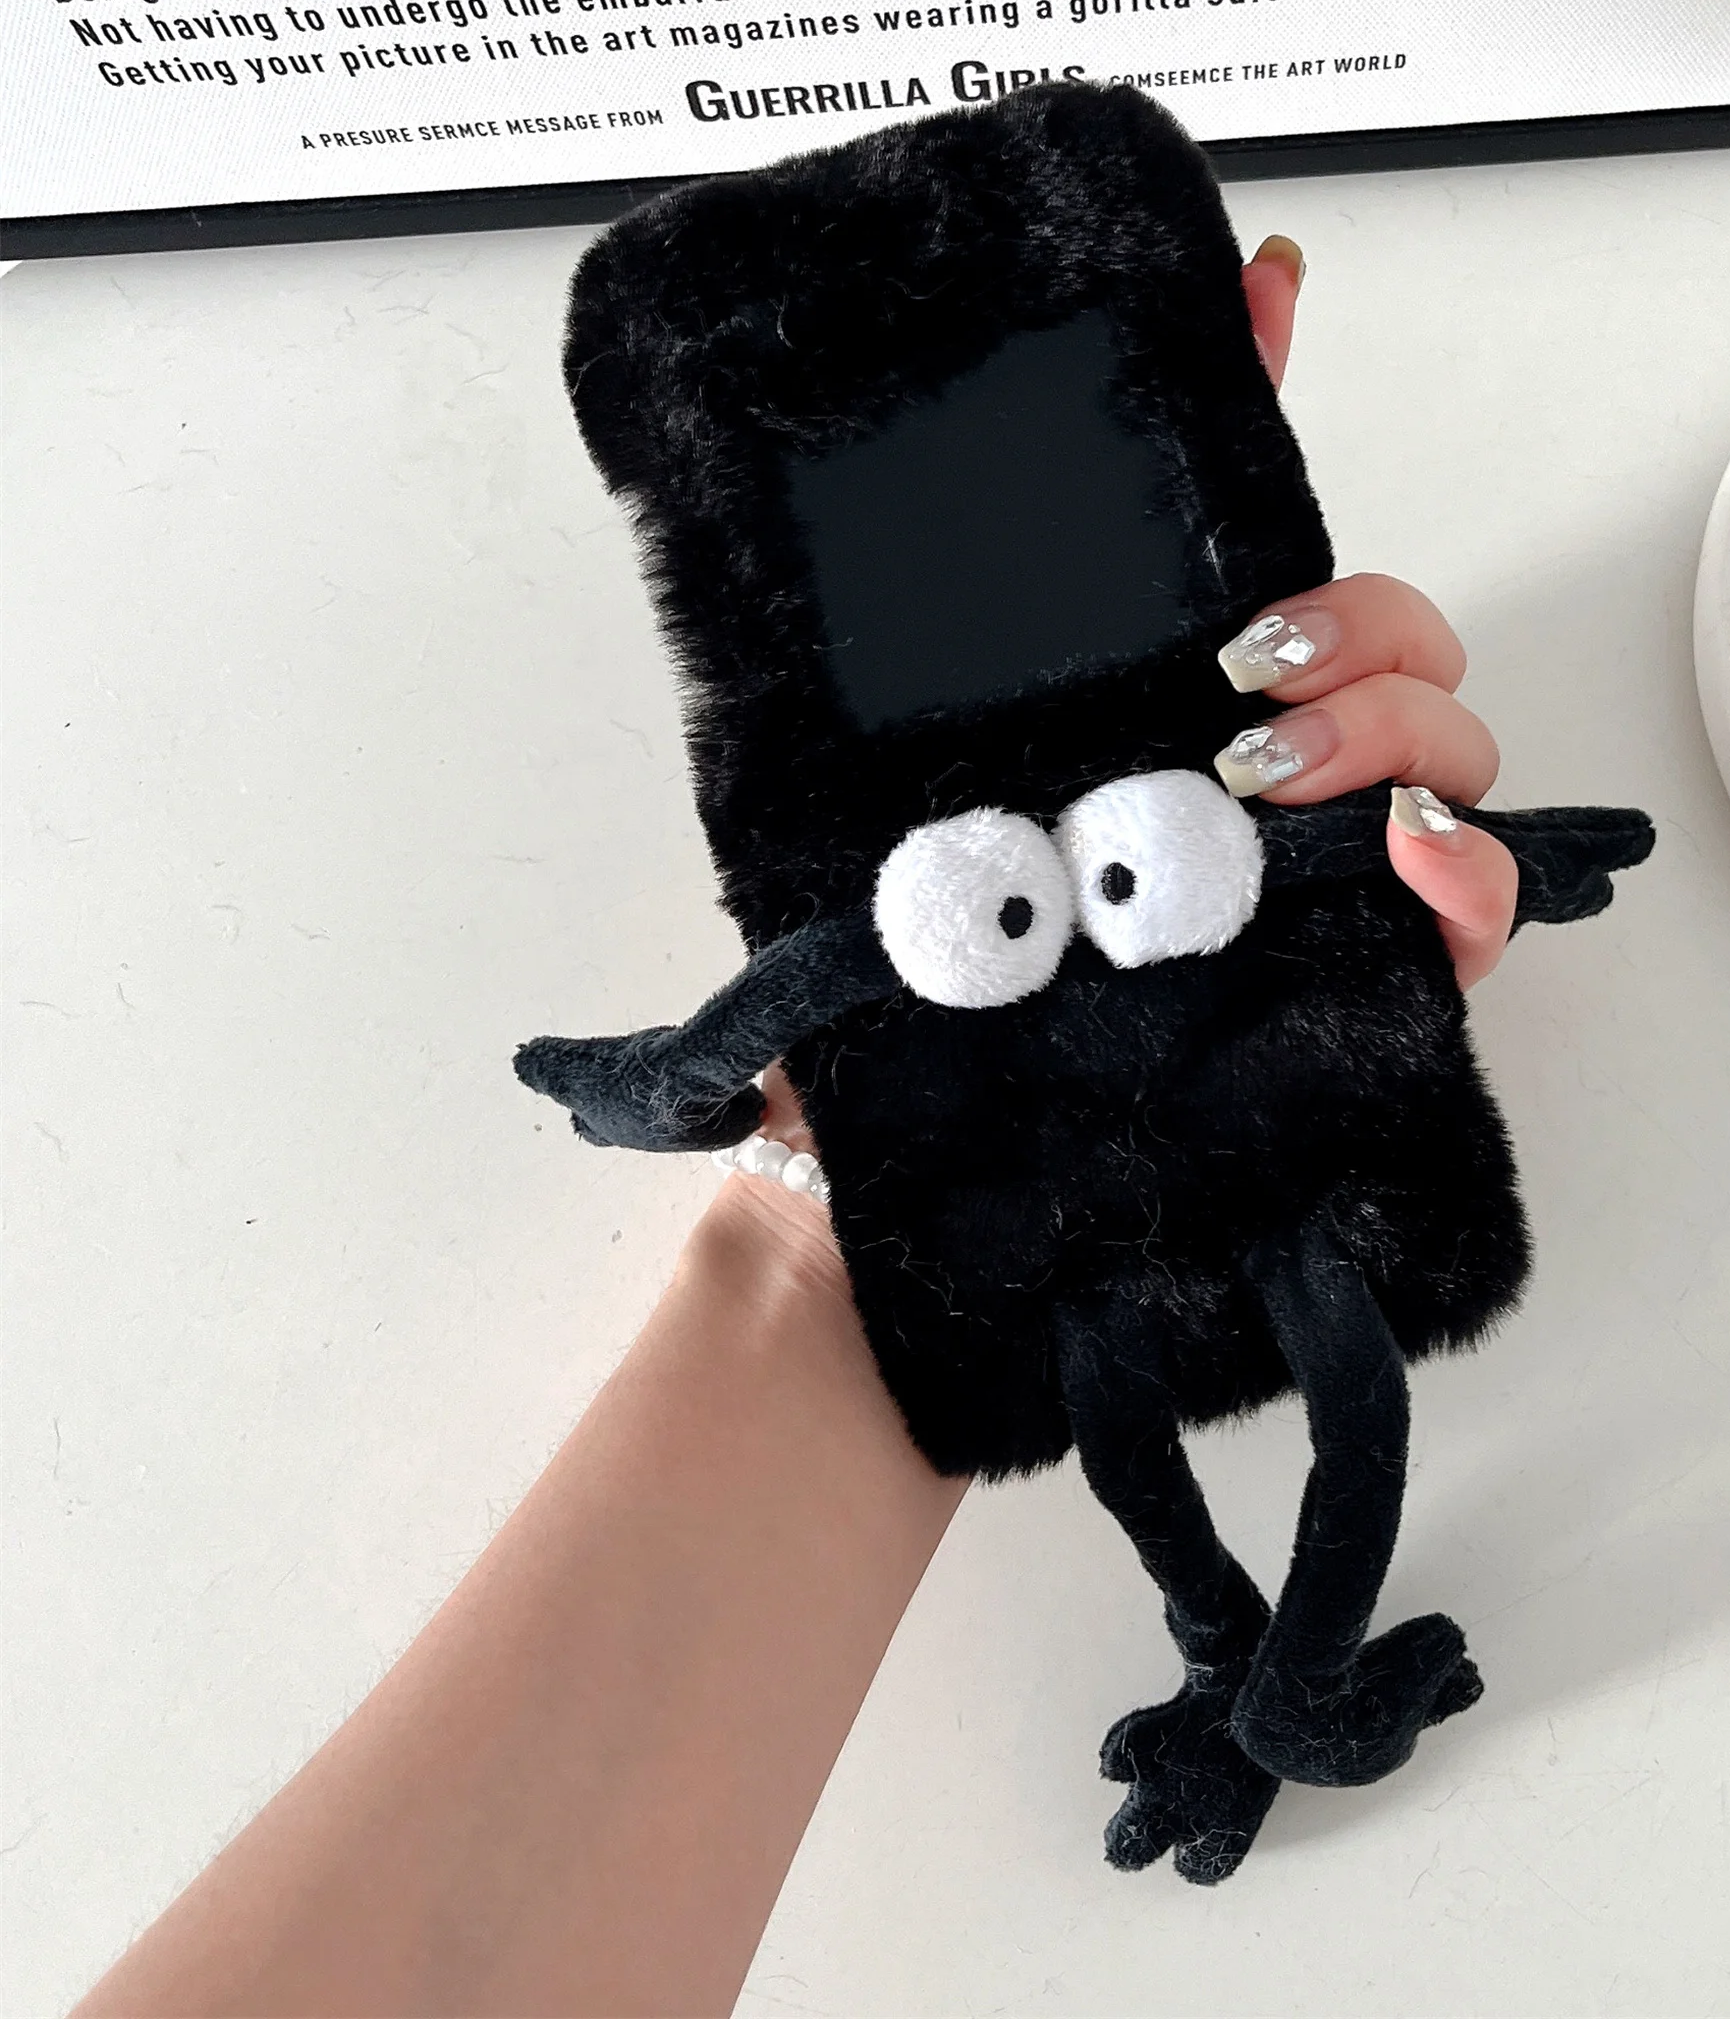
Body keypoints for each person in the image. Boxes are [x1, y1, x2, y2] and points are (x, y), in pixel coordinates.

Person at [76, 237, 1521, 2019]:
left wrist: (754, 1163)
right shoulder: (924, 916)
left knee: (1315, 1419)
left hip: (1192, 1142)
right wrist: (778, 1152)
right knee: (1182, 1455)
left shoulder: (1011, 871)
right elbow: (766, 1017)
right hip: (1114, 1197)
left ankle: (1279, 1696)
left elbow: (738, 1036)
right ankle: (1258, 1683)